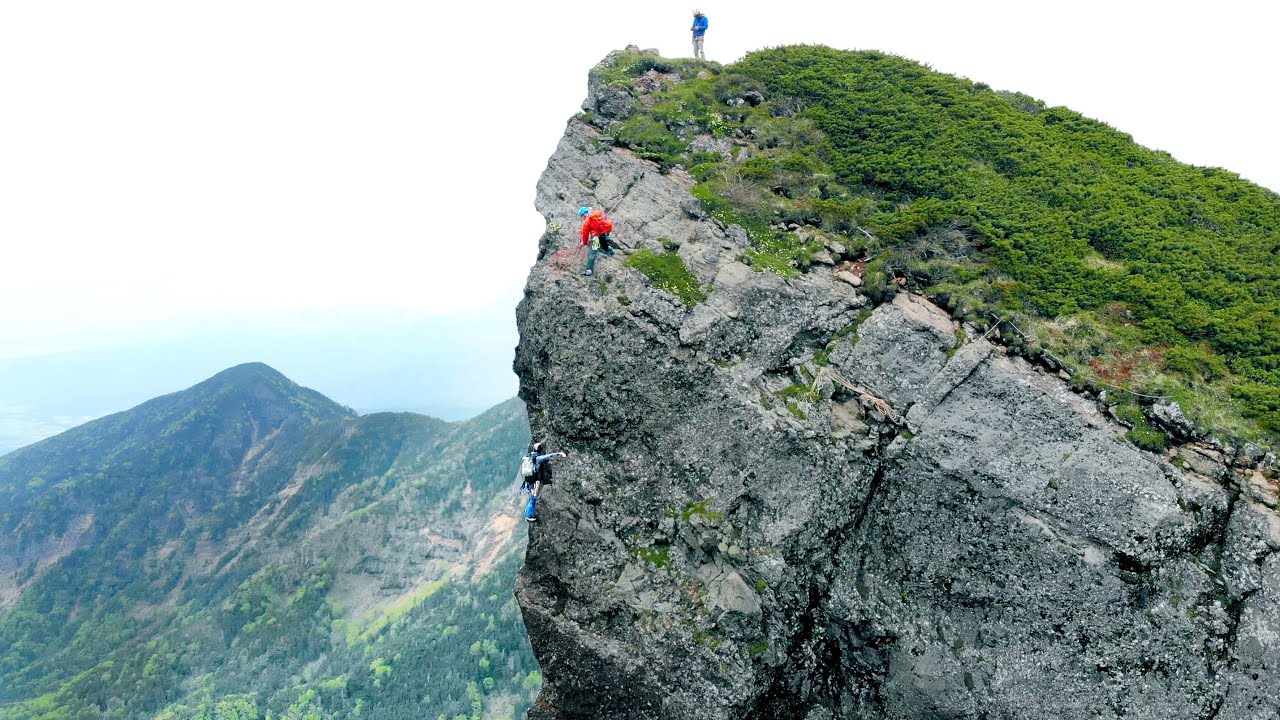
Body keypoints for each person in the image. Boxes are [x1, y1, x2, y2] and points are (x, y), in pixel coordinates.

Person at [521, 441, 567, 522]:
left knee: (531, 497)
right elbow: (548, 456)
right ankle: (528, 515)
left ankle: (527, 512)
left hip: (529, 481)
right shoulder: (538, 459)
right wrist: (560, 453)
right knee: (533, 499)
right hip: (535, 481)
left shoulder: (528, 457)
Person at [579, 206, 615, 277]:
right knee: (603, 243)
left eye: (582, 216)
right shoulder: (598, 213)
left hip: (596, 237)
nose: (583, 217)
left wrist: (584, 242)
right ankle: (610, 250)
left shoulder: (587, 222)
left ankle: (589, 270)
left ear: (584, 214)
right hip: (605, 233)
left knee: (592, 252)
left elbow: (585, 235)